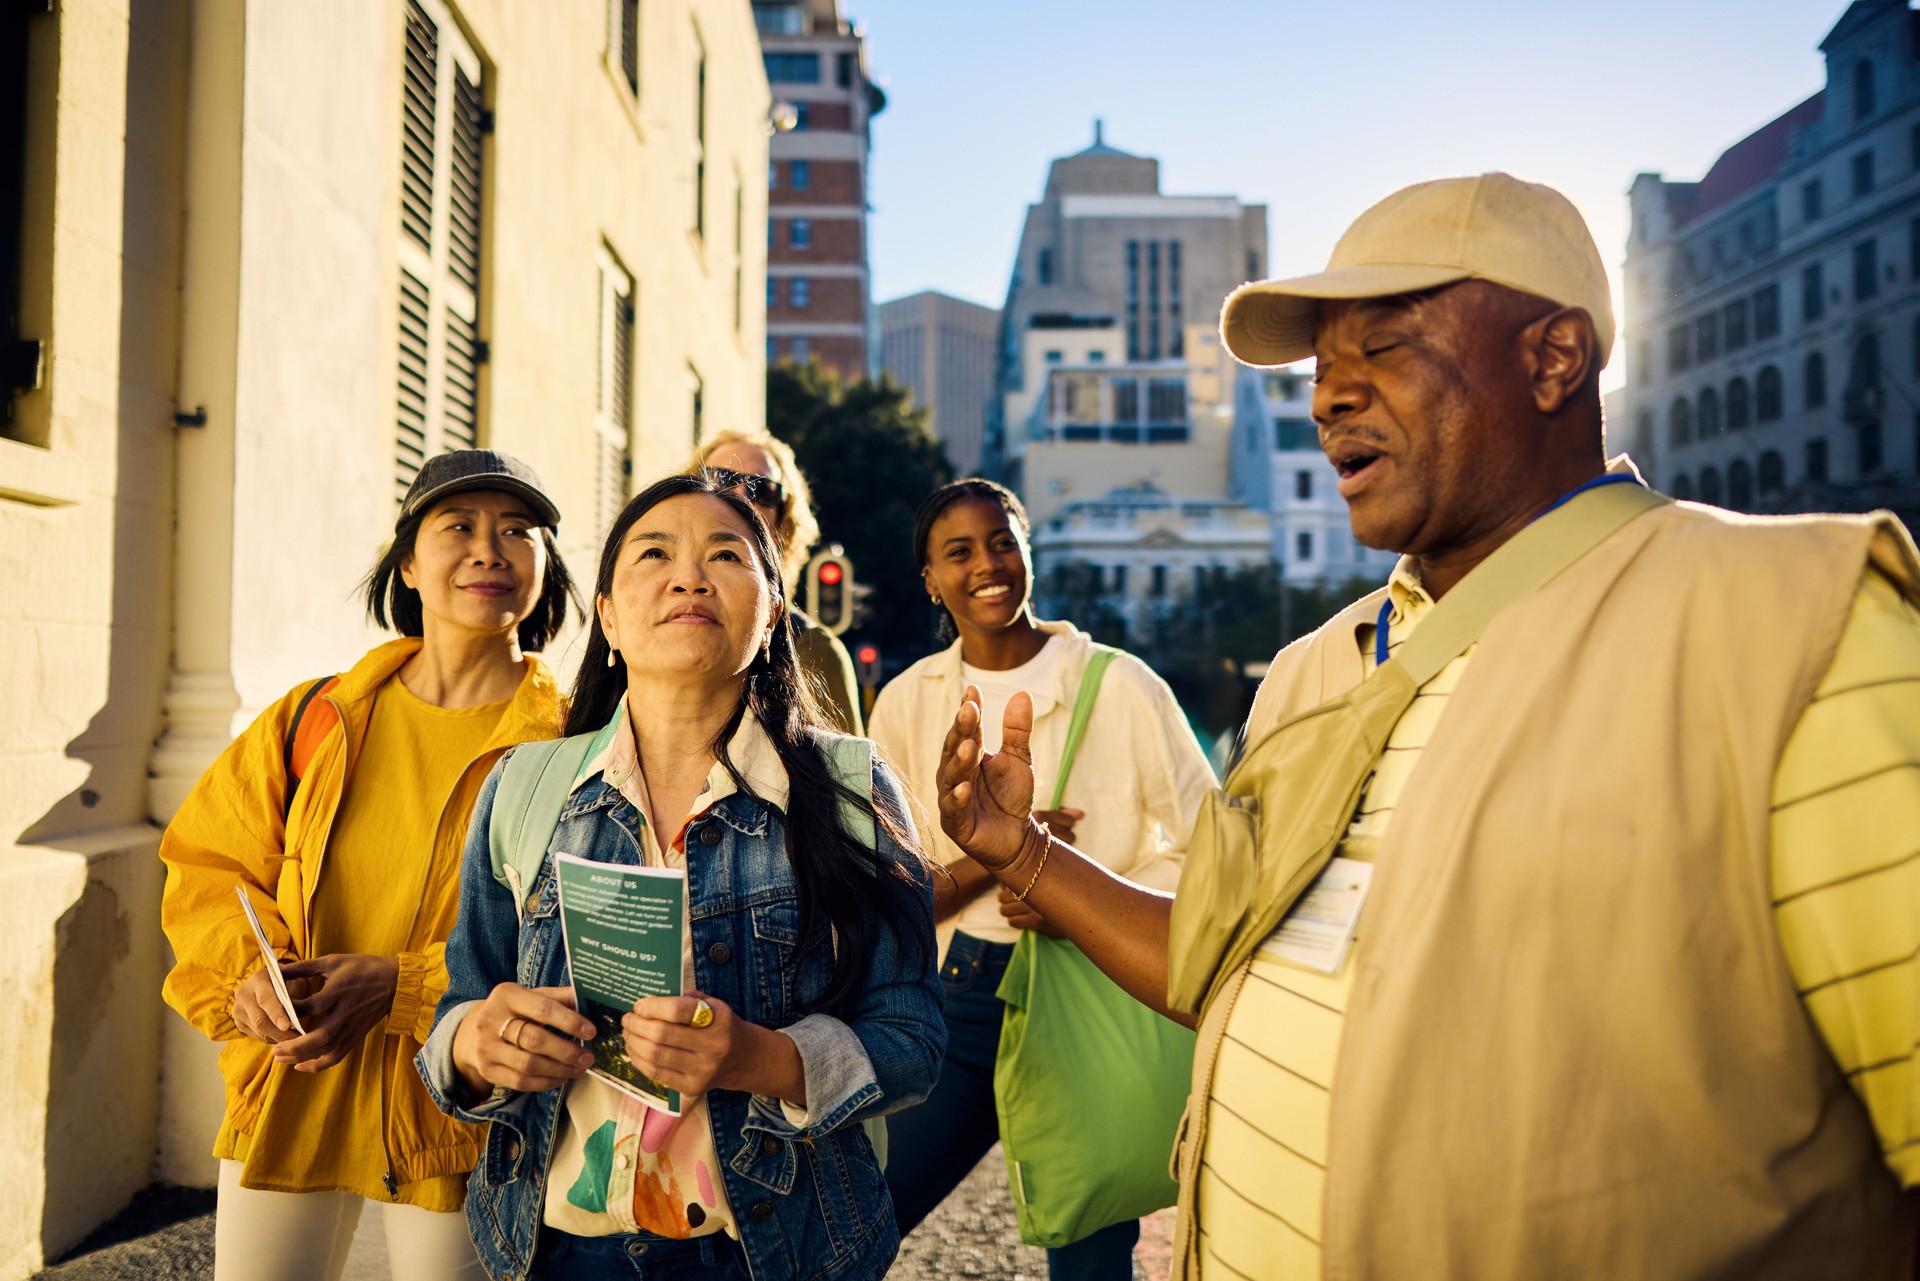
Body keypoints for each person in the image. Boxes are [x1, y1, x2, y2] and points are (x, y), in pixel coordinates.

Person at [933, 173, 1920, 1280]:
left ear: (1554, 359)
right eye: (1319, 373)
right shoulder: (1314, 669)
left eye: (1386, 348)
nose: (1326, 402)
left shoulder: (1797, 621)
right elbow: (1212, 960)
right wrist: (1023, 853)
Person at [415, 472, 943, 1281]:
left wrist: (757, 1058)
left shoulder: (852, 789)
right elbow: (460, 1010)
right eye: (654, 553)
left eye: (726, 555)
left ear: (772, 615)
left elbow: (911, 1041)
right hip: (556, 1249)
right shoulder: (521, 785)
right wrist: (478, 1045)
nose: (688, 575)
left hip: (778, 1251)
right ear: (612, 618)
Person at [159, 450, 577, 1281]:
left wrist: (404, 984)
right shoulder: (315, 716)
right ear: (410, 564)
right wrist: (250, 978)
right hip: (295, 1085)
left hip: (463, 1103)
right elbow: (211, 863)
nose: (489, 549)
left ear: (545, 569)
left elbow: (570, 935)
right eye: (458, 526)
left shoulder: (572, 747)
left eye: (518, 531)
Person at [868, 478, 1215, 1280]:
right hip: (954, 1001)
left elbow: (1218, 855)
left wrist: (1076, 896)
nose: (987, 564)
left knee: (1089, 1252)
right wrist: (1007, 860)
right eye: (959, 552)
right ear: (929, 576)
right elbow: (891, 893)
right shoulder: (906, 701)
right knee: (859, 1220)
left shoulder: (1123, 685)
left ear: (1028, 553)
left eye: (1002, 542)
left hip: (1088, 993)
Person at [689, 429, 863, 734]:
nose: (740, 496)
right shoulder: (648, 618)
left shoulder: (813, 650)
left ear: (783, 526)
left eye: (764, 490)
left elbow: (851, 780)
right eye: (721, 479)